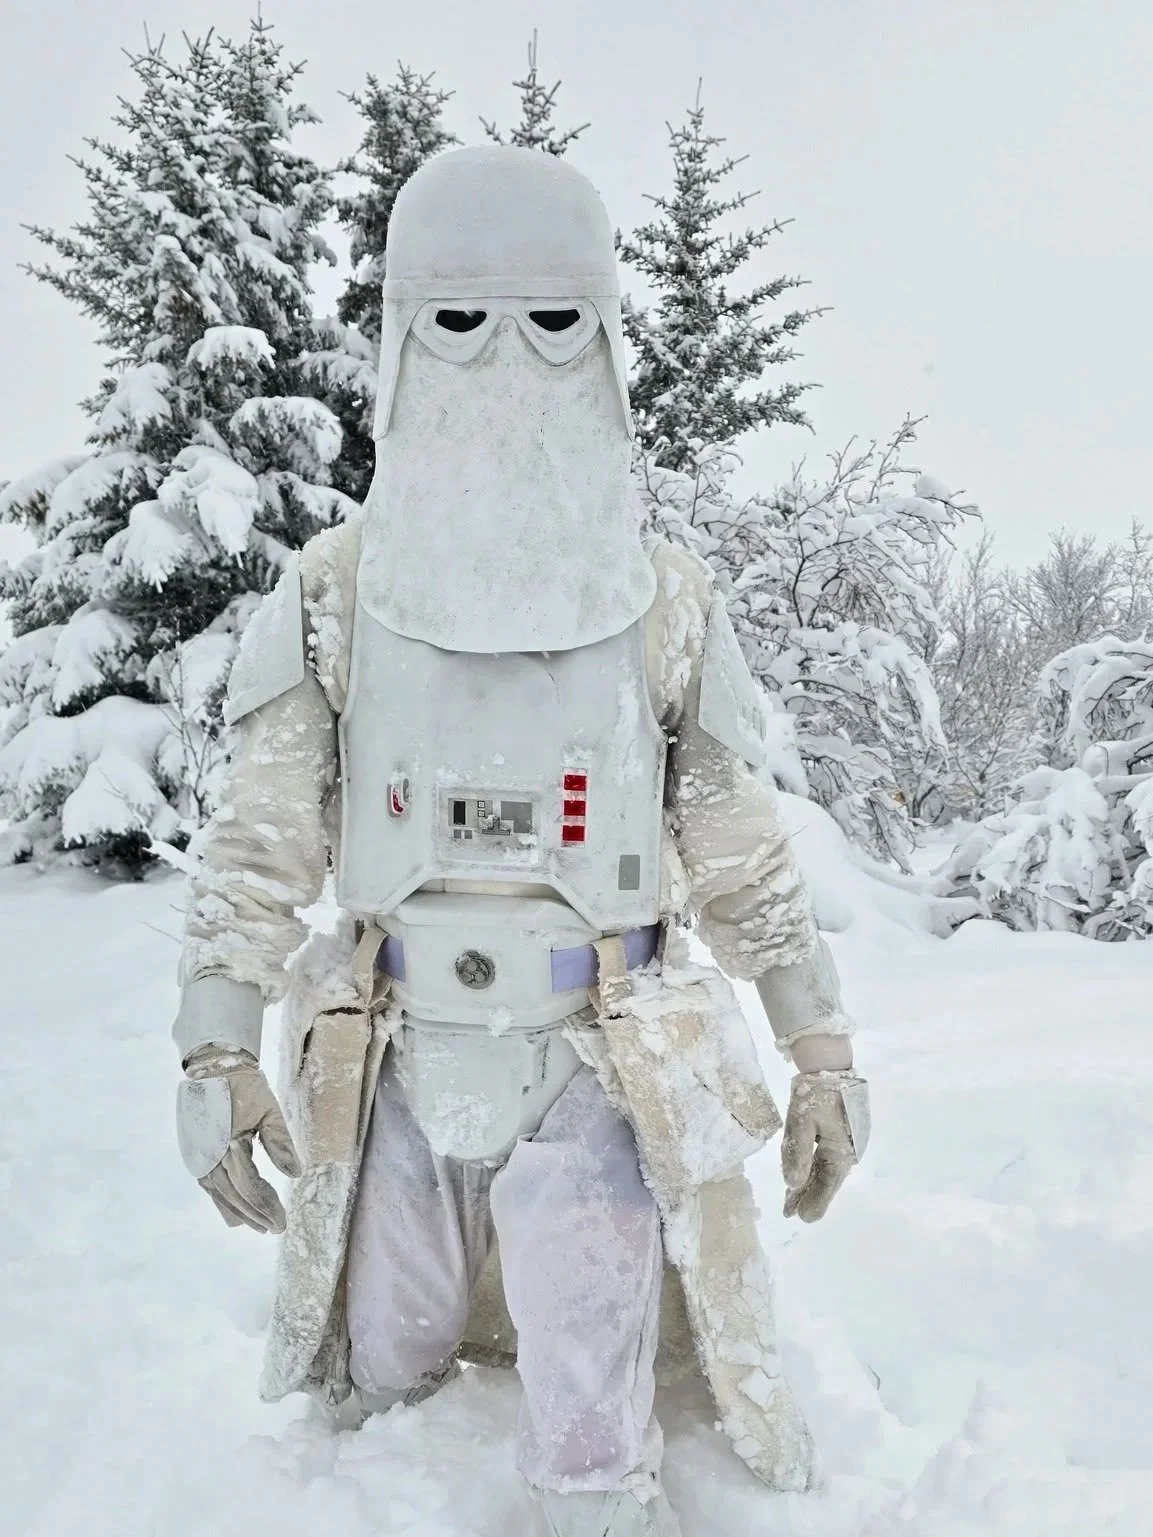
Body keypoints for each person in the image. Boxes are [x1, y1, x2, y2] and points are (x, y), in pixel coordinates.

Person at [173, 145, 870, 1537]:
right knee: (386, 1387)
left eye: (553, 324)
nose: (507, 359)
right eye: (460, 320)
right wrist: (211, 1040)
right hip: (389, 1064)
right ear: (398, 336)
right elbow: (257, 842)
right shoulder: (333, 596)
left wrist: (821, 1049)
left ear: (601, 335)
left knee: (596, 1424)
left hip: (595, 1064)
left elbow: (739, 855)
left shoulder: (662, 601)